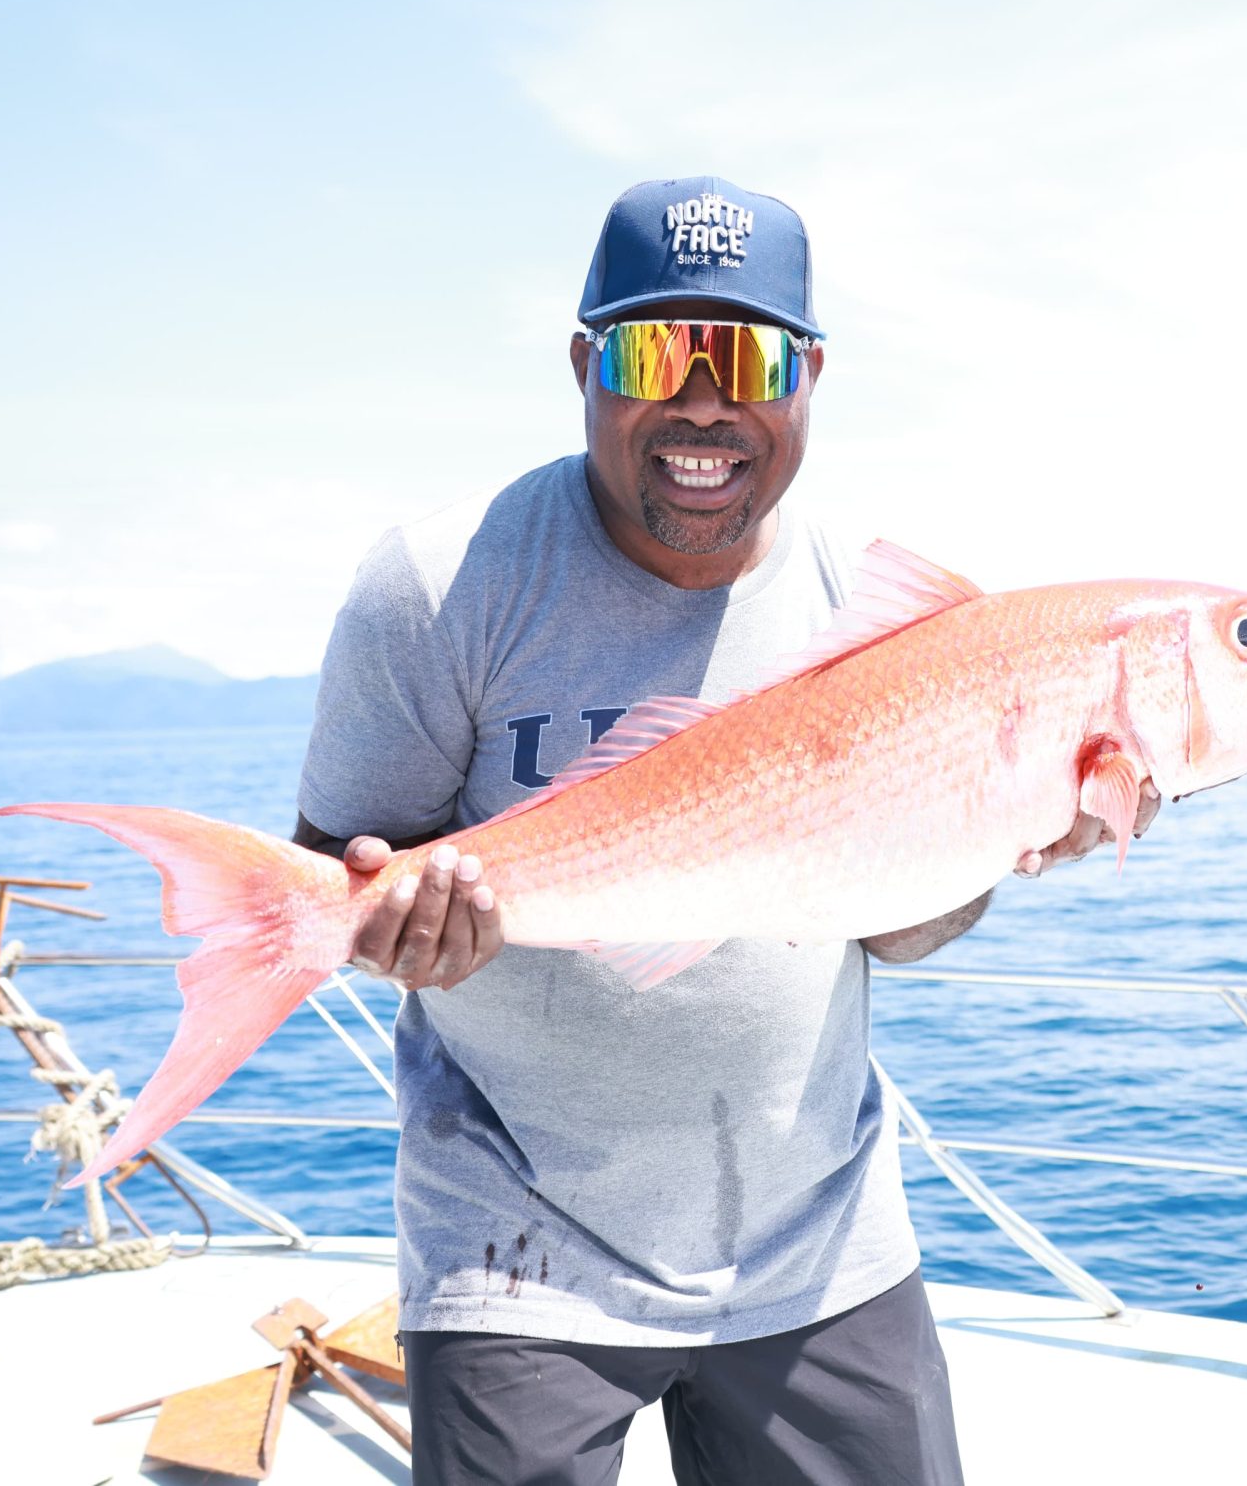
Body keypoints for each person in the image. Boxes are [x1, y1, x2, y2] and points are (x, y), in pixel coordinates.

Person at [292, 176, 1155, 1486]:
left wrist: (1006, 830)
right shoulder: (438, 583)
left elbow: (901, 929)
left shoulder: (883, 609)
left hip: (823, 1244)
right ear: (584, 366)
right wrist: (393, 933)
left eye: (749, 360)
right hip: (512, 1249)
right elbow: (335, 881)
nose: (705, 404)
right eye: (657, 355)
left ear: (809, 377)